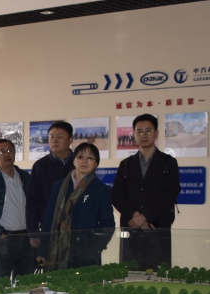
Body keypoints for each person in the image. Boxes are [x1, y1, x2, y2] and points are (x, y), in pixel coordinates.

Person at [111, 113, 180, 271]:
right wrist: (136, 215)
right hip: (131, 230)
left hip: (157, 229)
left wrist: (145, 216)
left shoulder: (168, 162)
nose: (143, 135)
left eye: (148, 131)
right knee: (129, 274)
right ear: (134, 134)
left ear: (156, 134)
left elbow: (170, 195)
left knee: (158, 275)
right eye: (139, 131)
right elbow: (116, 196)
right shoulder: (126, 164)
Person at [36, 142, 115, 270]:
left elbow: (108, 224)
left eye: (90, 158)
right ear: (74, 160)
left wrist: (94, 247)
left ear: (96, 163)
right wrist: (42, 250)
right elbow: (49, 219)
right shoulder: (59, 186)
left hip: (85, 254)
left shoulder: (101, 190)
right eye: (80, 156)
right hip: (55, 252)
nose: (84, 161)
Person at [26, 121, 74, 255]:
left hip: (76, 229)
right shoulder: (40, 166)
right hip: (49, 229)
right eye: (51, 136)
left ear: (70, 140)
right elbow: (32, 202)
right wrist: (33, 233)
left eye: (59, 136)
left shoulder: (79, 163)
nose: (54, 140)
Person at [0, 138, 35, 282]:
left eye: (10, 150)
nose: (7, 154)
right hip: (4, 239)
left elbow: (34, 205)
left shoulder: (25, 177)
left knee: (25, 283)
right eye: (2, 151)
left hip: (26, 238)